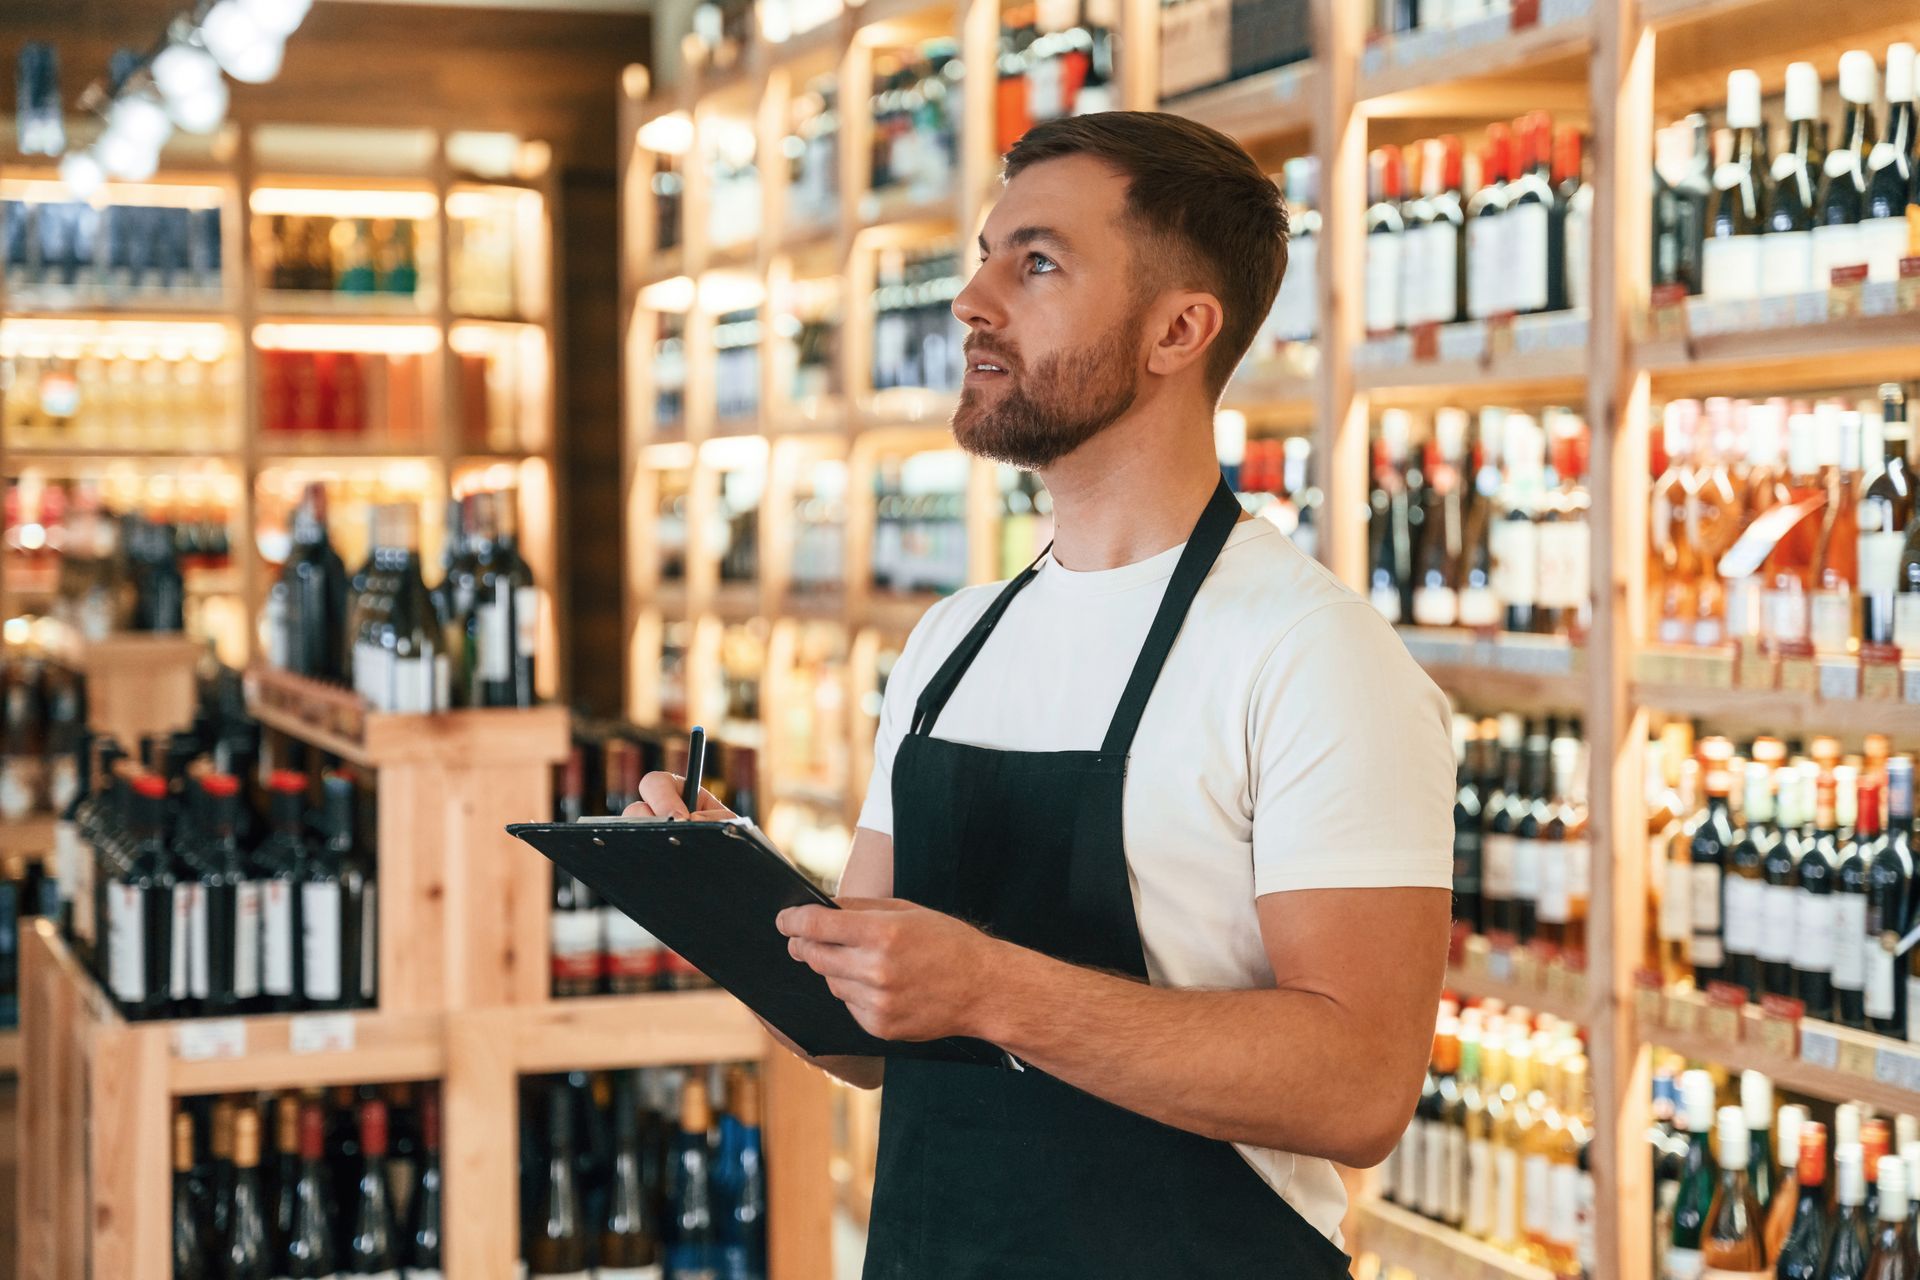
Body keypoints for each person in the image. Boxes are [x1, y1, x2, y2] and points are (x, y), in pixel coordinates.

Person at [629, 110, 1453, 1276]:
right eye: (983, 255)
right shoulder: (950, 642)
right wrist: (733, 907)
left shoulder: (1312, 653)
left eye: (1038, 263)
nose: (972, 300)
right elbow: (862, 1043)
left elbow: (1363, 1083)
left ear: (1179, 329)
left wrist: (992, 987)